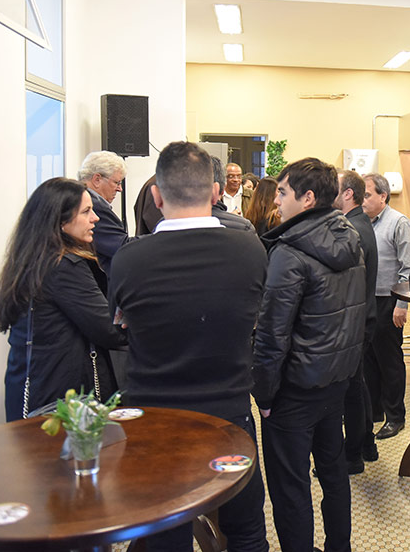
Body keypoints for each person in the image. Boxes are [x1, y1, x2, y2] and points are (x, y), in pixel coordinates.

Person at [108, 142, 270, 552]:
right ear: (216, 193)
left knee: (164, 532)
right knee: (246, 528)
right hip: (229, 414)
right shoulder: (250, 251)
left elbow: (120, 326)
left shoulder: (129, 259)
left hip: (154, 419)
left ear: (157, 196)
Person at [253, 157, 365, 552]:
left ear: (308, 199)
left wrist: (264, 395)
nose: (276, 201)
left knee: (290, 486)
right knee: (333, 474)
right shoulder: (351, 238)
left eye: (283, 193)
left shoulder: (289, 252)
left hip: (295, 389)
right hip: (335, 380)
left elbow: (272, 335)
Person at [0, 178, 125, 421]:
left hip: (40, 389)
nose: (95, 218)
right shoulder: (63, 267)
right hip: (61, 400)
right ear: (61, 221)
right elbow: (108, 329)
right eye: (86, 211)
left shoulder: (34, 259)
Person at [362, 172, 410, 439]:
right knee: (369, 360)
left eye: (367, 194)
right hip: (367, 300)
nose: (362, 200)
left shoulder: (399, 223)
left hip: (389, 301)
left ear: (383, 196)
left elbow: (408, 267)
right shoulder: (363, 223)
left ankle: (395, 416)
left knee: (390, 362)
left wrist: (402, 305)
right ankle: (375, 411)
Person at [334, 169, 380, 471]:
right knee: (358, 384)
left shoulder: (352, 230)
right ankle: (366, 444)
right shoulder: (360, 223)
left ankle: (352, 455)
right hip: (362, 316)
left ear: (348, 193)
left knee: (350, 390)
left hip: (355, 321)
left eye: (335, 188)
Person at [77, 150, 131, 275]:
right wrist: (157, 237)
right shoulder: (95, 206)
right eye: (117, 182)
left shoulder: (89, 201)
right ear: (97, 179)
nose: (120, 189)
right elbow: (121, 247)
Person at [212, 156, 256, 231]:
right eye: (231, 176)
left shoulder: (251, 195)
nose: (236, 180)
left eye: (239, 176)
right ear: (224, 178)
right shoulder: (218, 195)